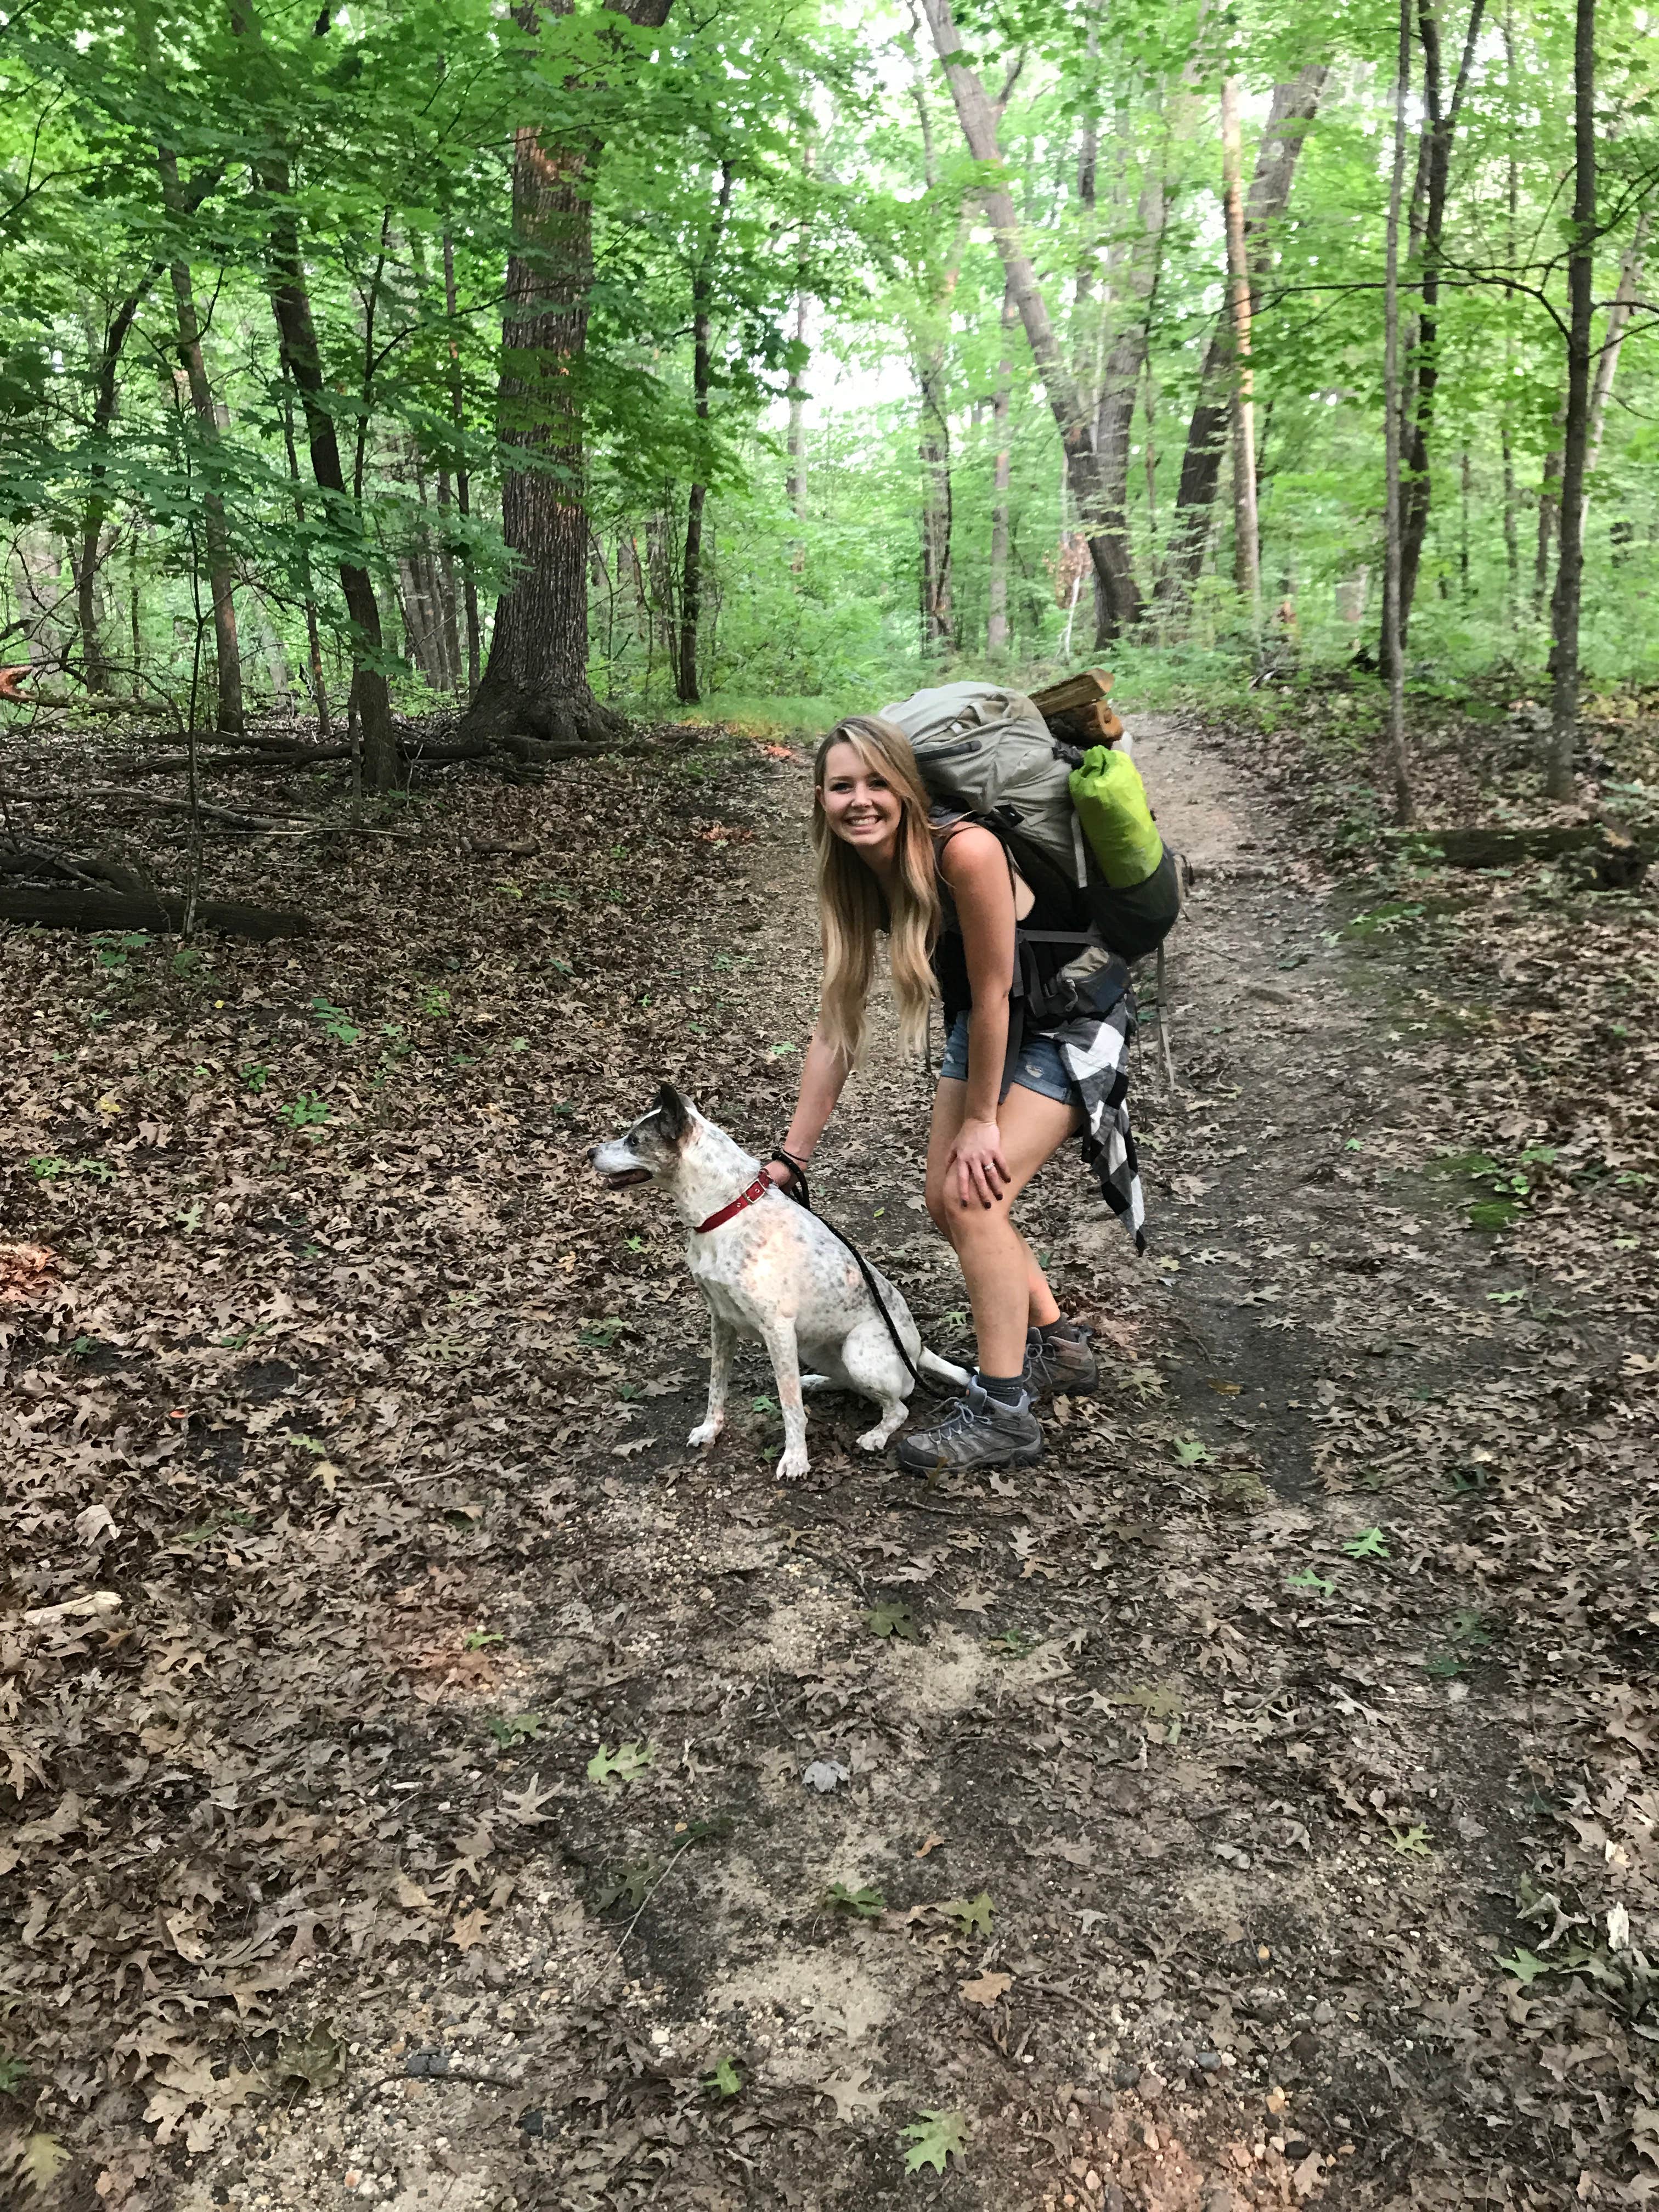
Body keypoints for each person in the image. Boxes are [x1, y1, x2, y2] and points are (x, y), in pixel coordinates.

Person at [766, 714, 1099, 1475]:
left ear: (909, 790)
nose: (860, 800)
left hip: (1068, 1016)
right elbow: (836, 1026)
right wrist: (793, 1156)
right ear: (820, 798)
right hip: (989, 1022)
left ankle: (1004, 1413)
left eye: (877, 783)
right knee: (945, 1200)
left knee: (973, 1196)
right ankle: (1058, 1346)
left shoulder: (968, 852)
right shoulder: (852, 874)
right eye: (842, 786)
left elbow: (998, 997)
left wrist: (983, 1120)